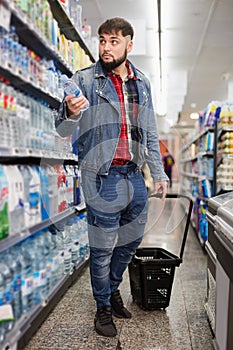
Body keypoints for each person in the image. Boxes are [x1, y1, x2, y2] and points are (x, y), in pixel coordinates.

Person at [56, 17, 169, 338]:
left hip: (134, 175)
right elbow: (62, 129)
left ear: (129, 45)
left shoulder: (141, 83)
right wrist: (71, 112)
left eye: (114, 41)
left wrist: (158, 172)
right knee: (103, 248)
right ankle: (103, 307)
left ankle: (114, 288)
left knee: (132, 241)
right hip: (101, 176)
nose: (106, 47)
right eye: (103, 40)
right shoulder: (85, 80)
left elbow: (149, 132)